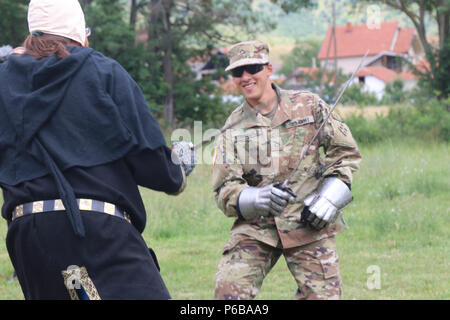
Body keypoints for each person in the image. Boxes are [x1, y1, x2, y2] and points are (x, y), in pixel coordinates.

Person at [0, 0, 196, 300]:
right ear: (78, 31)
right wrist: (178, 165)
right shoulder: (101, 70)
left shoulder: (4, 82)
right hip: (94, 237)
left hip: (28, 237)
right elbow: (150, 161)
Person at [212, 40, 362, 300]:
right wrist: (255, 198)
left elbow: (346, 153)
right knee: (228, 294)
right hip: (256, 228)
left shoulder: (310, 106)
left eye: (253, 68)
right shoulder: (231, 128)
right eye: (238, 72)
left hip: (309, 222)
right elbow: (224, 189)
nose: (245, 77)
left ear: (269, 69)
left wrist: (329, 199)